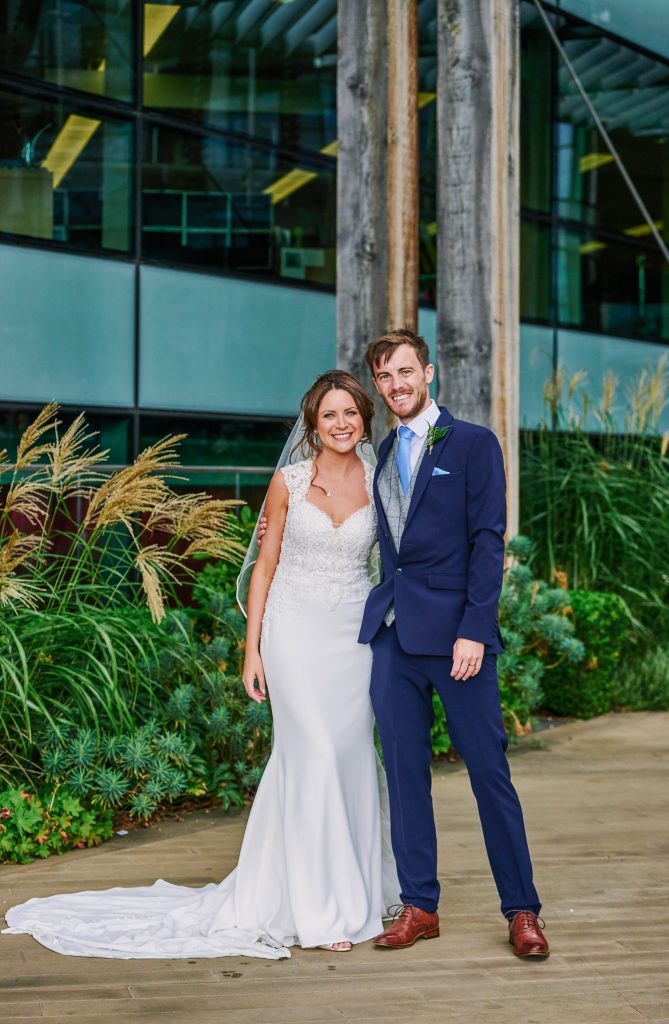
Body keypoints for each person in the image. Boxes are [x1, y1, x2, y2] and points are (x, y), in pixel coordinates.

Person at [2, 369, 398, 959]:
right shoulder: (289, 481)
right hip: (293, 632)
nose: (341, 424)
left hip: (352, 638)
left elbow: (399, 557)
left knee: (348, 757)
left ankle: (356, 890)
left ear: (364, 419)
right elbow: (263, 568)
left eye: (350, 413)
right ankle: (318, 909)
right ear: (312, 426)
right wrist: (252, 649)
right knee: (310, 753)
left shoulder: (382, 481)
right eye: (328, 415)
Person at [360, 328, 549, 959]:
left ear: (429, 372)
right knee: (405, 777)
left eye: (405, 371)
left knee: (489, 773)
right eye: (385, 377)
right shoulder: (382, 453)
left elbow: (488, 541)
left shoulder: (471, 443)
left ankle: (522, 910)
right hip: (394, 640)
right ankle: (420, 906)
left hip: (459, 642)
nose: (397, 385)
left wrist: (474, 627)